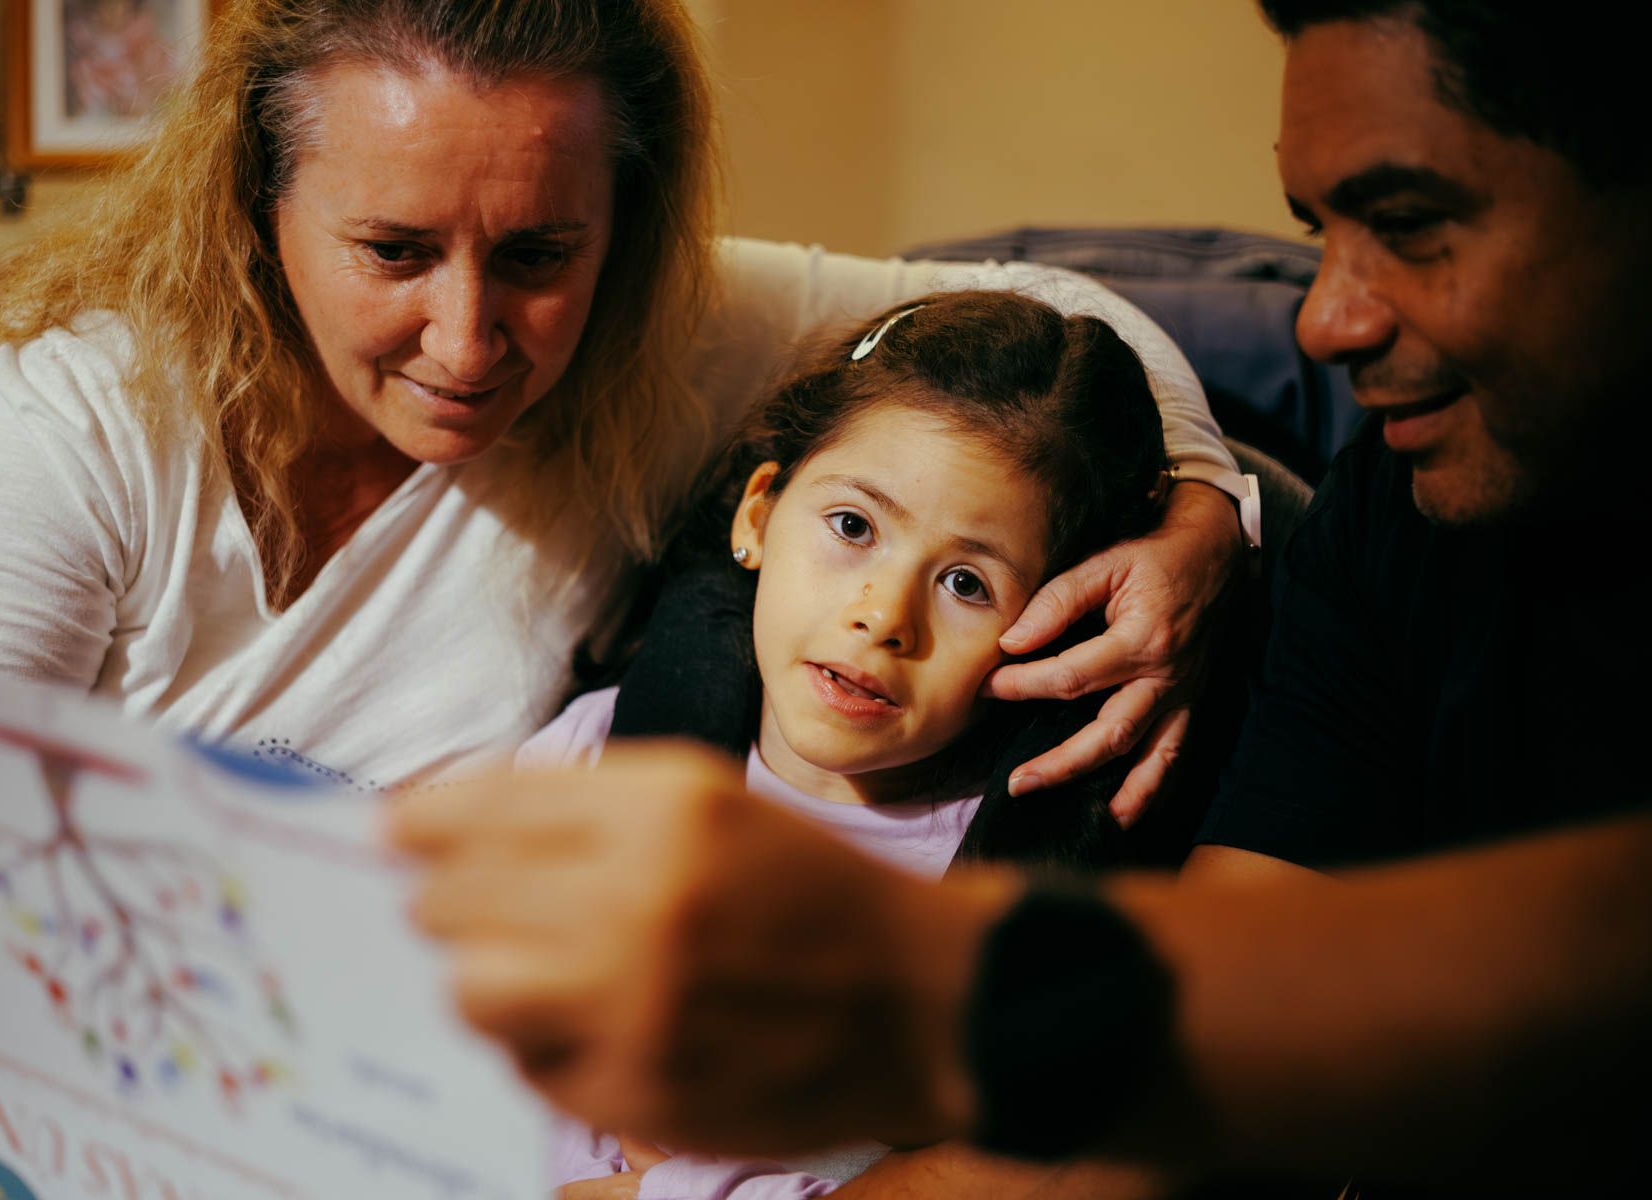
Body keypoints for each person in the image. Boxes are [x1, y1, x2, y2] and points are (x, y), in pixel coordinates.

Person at [0, 0, 1249, 1152]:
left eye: (538, 255)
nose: (468, 344)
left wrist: (1199, 518)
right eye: (393, 253)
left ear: (620, 227)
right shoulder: (70, 434)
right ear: (257, 206)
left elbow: (1064, 311)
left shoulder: (658, 355)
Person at [390, 0, 1651, 1193]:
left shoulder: (1018, 837)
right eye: (1322, 234)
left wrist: (892, 979)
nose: (1324, 323)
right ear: (761, 514)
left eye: (1418, 226)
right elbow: (1219, 1025)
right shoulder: (1386, 528)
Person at [531, 290, 1171, 1197]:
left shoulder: (984, 896)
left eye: (965, 583)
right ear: (758, 516)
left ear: (1060, 629)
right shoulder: (602, 750)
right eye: (853, 528)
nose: (883, 616)